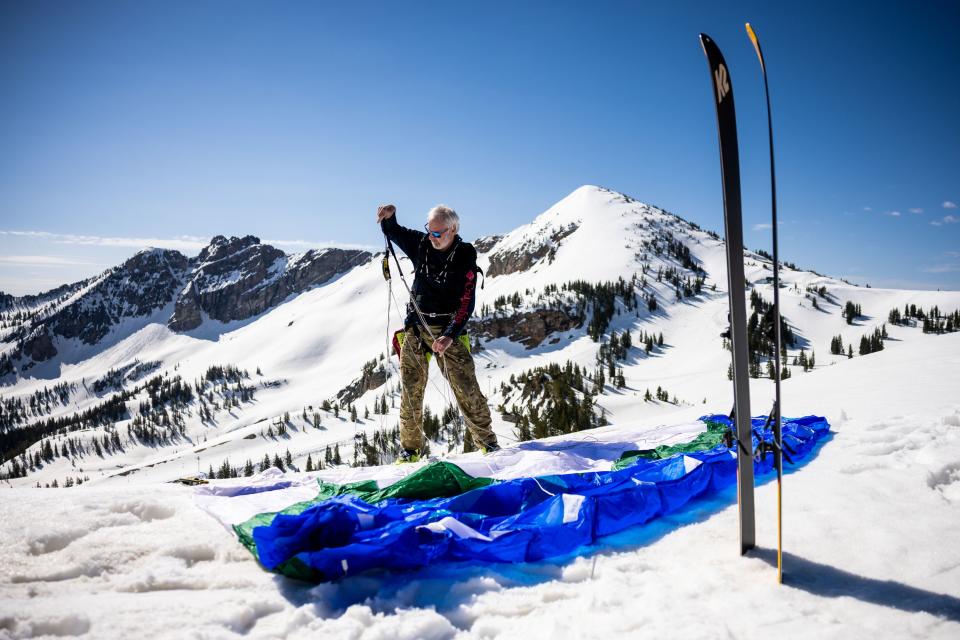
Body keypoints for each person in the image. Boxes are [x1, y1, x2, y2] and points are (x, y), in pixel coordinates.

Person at [377, 203, 500, 461]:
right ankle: (410, 450)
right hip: (417, 327)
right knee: (411, 389)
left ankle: (487, 443)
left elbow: (467, 301)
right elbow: (395, 231)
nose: (432, 238)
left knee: (466, 388)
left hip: (448, 329)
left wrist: (450, 334)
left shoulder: (465, 254)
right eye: (429, 232)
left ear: (453, 229)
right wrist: (389, 218)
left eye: (438, 233)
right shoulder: (421, 244)